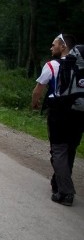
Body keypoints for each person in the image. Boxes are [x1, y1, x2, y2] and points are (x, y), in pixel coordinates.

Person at [31, 33, 83, 206]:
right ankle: (58, 182)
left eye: (54, 44)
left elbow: (38, 89)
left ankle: (66, 192)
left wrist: (35, 103)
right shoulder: (81, 65)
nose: (51, 48)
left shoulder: (52, 65)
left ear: (63, 46)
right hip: (79, 113)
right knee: (70, 149)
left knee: (58, 151)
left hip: (59, 113)